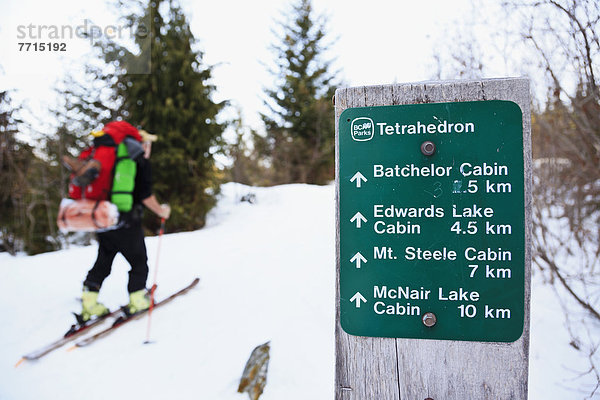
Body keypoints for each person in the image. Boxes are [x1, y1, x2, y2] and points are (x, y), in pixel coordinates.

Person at [80, 125, 171, 322]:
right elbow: (145, 195)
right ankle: (138, 299)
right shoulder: (138, 161)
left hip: (104, 216)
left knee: (103, 260)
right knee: (139, 262)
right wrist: (162, 211)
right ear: (143, 144)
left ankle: (89, 302)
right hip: (126, 221)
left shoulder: (114, 158)